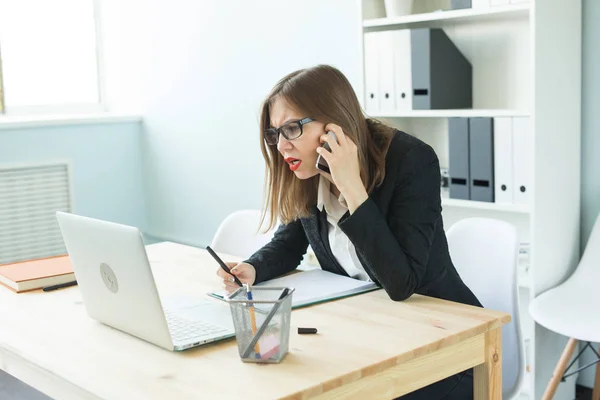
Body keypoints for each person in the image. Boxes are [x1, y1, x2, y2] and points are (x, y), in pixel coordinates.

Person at [216, 64, 482, 399]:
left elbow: (401, 284)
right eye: (274, 133)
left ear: (334, 124)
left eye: (292, 129)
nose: (281, 147)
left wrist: (351, 186)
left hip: (443, 349)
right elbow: (289, 243)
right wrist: (252, 269)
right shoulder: (309, 174)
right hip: (367, 332)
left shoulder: (413, 161)